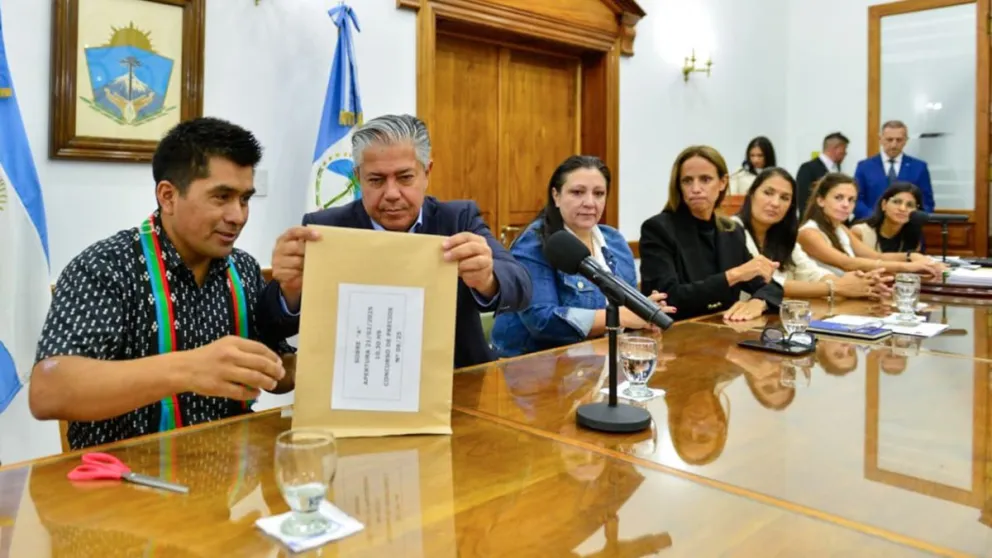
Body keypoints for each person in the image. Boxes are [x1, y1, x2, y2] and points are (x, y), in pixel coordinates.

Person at [29, 117, 294, 450]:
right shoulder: (106, 268)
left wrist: (312, 307)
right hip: (119, 487)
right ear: (168, 196)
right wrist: (188, 368)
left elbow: (279, 374)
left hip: (225, 483)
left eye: (244, 199)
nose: (238, 216)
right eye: (221, 197)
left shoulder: (242, 268)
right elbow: (48, 391)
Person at [260, 114, 531, 368]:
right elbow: (272, 325)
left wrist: (487, 279)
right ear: (358, 177)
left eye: (405, 178)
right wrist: (291, 290)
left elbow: (521, 288)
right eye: (376, 180)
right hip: (357, 383)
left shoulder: (457, 219)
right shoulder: (324, 229)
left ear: (427, 172)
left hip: (454, 382)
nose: (392, 194)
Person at [490, 156, 674, 358]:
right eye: (577, 192)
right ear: (556, 196)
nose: (590, 203)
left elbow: (626, 312)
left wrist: (645, 313)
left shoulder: (615, 242)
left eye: (599, 194)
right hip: (535, 369)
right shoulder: (534, 243)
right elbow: (541, 321)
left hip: (600, 363)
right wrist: (621, 317)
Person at [639, 145, 784, 322]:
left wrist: (759, 301)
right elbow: (668, 299)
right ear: (679, 186)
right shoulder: (658, 229)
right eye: (687, 181)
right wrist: (734, 275)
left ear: (722, 182)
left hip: (722, 332)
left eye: (705, 179)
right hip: (674, 335)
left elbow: (772, 286)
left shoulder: (731, 231)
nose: (696, 188)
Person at [733, 168, 889, 301]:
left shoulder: (784, 235)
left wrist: (858, 285)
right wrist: (838, 287)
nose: (775, 203)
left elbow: (811, 272)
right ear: (751, 193)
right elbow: (766, 284)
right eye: (768, 193)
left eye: (785, 198)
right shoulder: (732, 230)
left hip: (778, 317)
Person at [796, 173, 943, 279]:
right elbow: (847, 263)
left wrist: (911, 256)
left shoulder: (840, 228)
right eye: (838, 198)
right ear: (821, 200)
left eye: (851, 200)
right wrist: (907, 266)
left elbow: (877, 256)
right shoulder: (809, 232)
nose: (846, 205)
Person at [853, 120, 935, 220]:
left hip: (907, 229)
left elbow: (927, 203)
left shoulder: (919, 167)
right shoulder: (864, 166)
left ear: (906, 140)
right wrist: (875, 218)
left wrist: (908, 218)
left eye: (899, 140)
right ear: (880, 139)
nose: (894, 145)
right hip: (872, 225)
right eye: (889, 139)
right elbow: (856, 200)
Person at [851, 182, 924, 253]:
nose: (902, 208)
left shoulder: (913, 238)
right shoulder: (860, 232)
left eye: (910, 205)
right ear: (884, 205)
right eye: (897, 202)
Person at [795, 132, 848, 217]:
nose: (845, 153)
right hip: (815, 222)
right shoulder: (808, 168)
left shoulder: (837, 169)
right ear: (836, 148)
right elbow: (803, 200)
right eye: (844, 150)